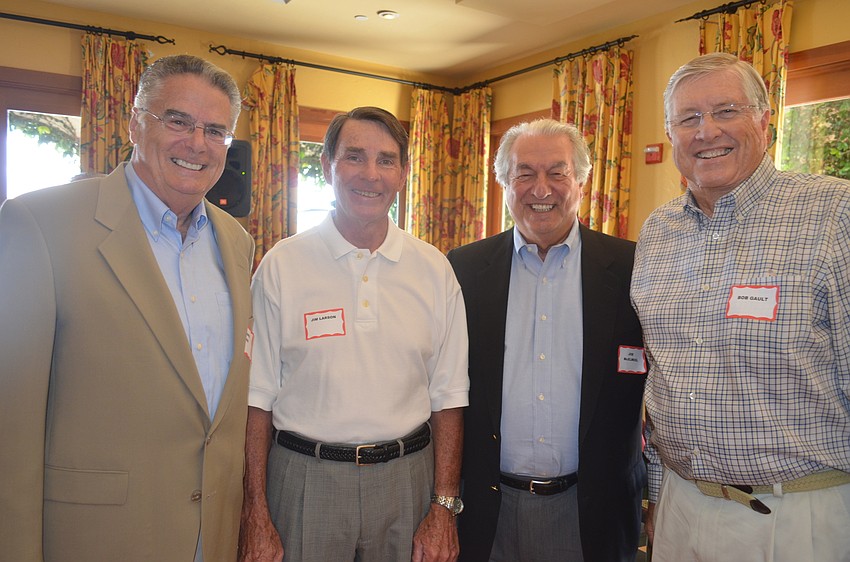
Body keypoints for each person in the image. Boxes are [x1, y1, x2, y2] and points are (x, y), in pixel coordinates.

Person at [0, 54, 255, 561]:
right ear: (135, 123)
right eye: (178, 120)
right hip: (97, 537)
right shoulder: (39, 224)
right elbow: (11, 425)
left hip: (211, 537)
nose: (197, 143)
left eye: (215, 130)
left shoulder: (237, 242)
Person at [631, 52, 850, 561]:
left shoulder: (835, 214)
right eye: (688, 118)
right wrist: (658, 497)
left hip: (799, 514)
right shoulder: (657, 232)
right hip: (682, 507)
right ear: (671, 135)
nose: (706, 131)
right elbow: (660, 381)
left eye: (726, 111)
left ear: (765, 120)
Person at [239, 106, 469, 562]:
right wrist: (255, 511)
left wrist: (444, 507)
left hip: (407, 484)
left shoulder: (435, 270)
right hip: (305, 482)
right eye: (354, 157)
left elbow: (449, 397)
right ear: (327, 166)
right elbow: (256, 399)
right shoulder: (282, 265)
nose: (371, 174)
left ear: (403, 173)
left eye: (386, 160)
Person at [447, 119, 647, 561]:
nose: (541, 189)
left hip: (592, 511)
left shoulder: (632, 267)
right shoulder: (462, 269)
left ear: (581, 182)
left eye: (557, 173)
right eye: (524, 174)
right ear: (504, 183)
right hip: (486, 510)